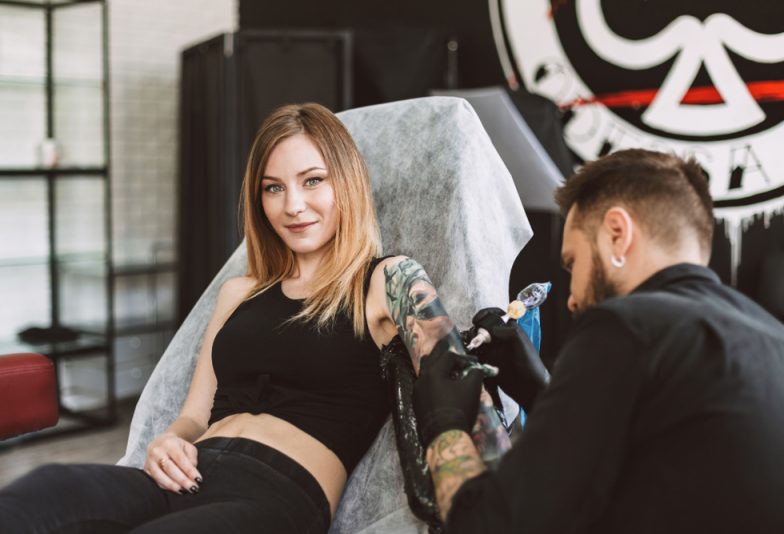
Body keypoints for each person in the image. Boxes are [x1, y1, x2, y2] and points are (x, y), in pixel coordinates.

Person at [0, 103, 472, 533]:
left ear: (346, 183)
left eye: (313, 180)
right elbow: (193, 416)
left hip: (278, 494)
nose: (292, 205)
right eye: (274, 188)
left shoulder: (384, 281)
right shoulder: (239, 292)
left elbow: (450, 371)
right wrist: (168, 440)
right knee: (40, 494)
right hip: (188, 473)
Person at [412, 149, 784, 533]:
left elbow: (492, 527)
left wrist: (442, 421)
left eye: (573, 263)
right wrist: (542, 393)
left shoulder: (626, 328)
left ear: (617, 234)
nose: (571, 297)